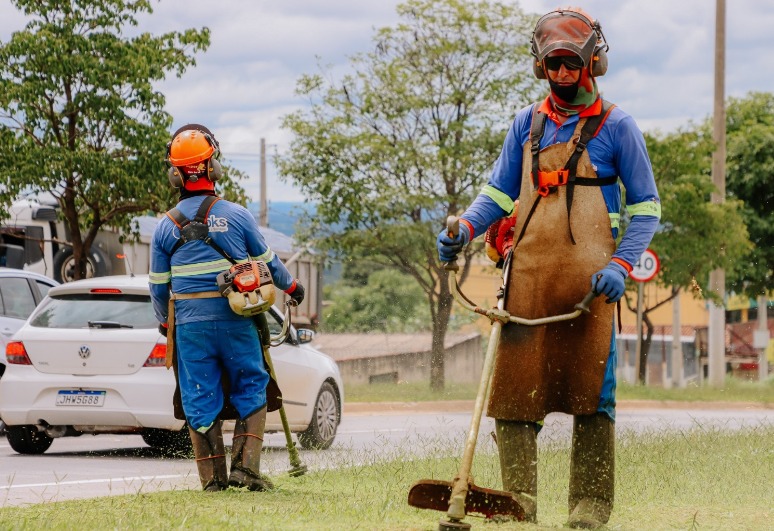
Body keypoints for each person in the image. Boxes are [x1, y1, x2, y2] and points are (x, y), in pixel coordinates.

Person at [437, 7, 661, 528]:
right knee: (514, 392)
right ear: (540, 66)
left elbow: (646, 207)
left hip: (592, 288)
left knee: (592, 398)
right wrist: (465, 231)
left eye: (570, 64)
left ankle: (588, 510)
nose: (561, 74)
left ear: (593, 63)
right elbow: (497, 193)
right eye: (552, 64)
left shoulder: (618, 126)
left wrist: (623, 265)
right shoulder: (527, 124)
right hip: (528, 280)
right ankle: (519, 505)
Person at [149, 124, 305, 492]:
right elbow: (269, 264)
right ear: (213, 167)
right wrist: (293, 288)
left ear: (175, 174)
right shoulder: (236, 216)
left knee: (199, 396)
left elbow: (158, 288)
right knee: (252, 384)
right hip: (237, 318)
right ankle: (246, 470)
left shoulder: (164, 227)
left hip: (189, 326)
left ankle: (213, 481)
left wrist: (163, 321)